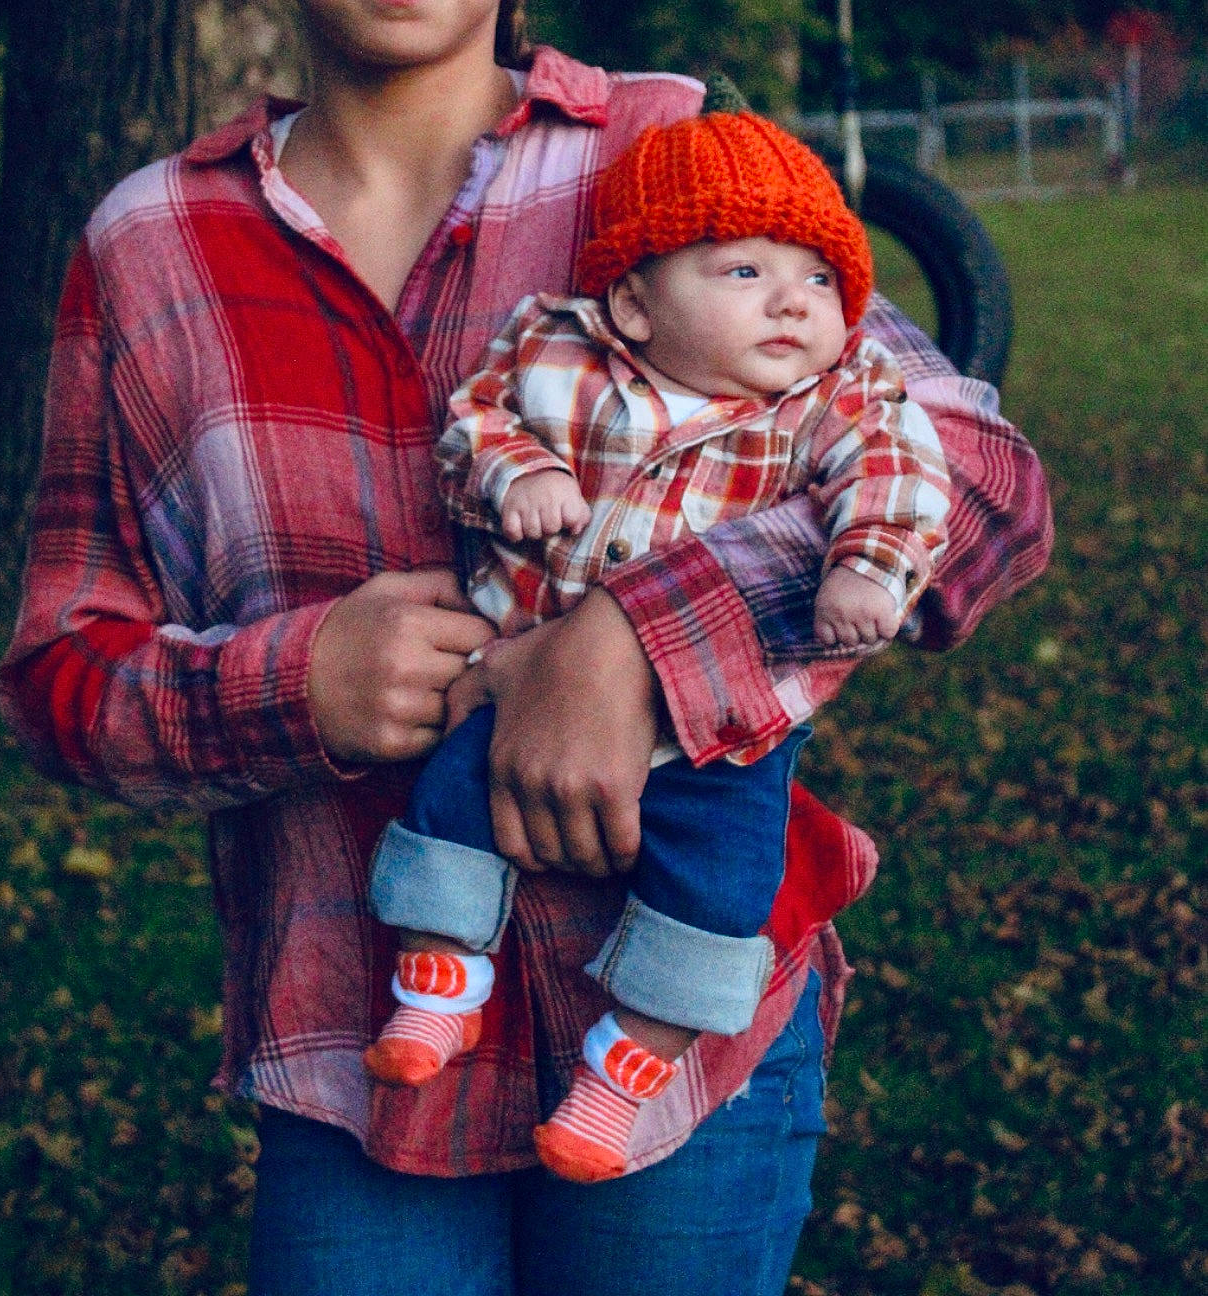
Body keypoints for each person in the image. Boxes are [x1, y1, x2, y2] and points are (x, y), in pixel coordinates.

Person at [0, 0, 1053, 1296]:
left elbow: (979, 484)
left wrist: (632, 641)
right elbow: (65, 676)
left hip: (675, 1037)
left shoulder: (670, 157)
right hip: (359, 1040)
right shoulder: (151, 247)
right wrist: (301, 678)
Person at [363, 110, 953, 1184]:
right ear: (633, 299)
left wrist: (867, 564)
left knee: (722, 883)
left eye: (821, 277)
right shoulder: (557, 351)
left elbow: (903, 472)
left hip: (726, 721)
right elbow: (475, 422)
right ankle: (438, 980)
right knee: (451, 799)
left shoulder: (840, 393)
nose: (792, 299)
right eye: (743, 269)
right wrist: (517, 474)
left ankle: (624, 1071)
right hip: (520, 679)